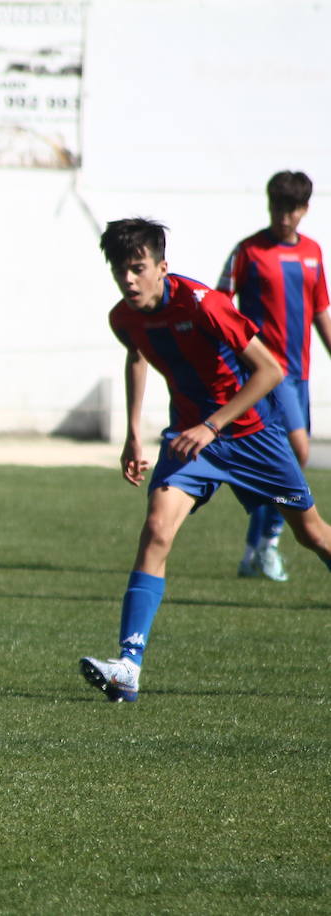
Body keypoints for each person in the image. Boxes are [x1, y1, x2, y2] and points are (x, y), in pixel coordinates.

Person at [79, 217, 331, 702]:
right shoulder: (124, 317)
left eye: (137, 268)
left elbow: (270, 370)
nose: (128, 279)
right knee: (156, 530)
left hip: (254, 438)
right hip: (190, 442)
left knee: (313, 535)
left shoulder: (204, 304)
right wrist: (132, 435)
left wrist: (213, 425)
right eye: (119, 270)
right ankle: (128, 667)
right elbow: (137, 355)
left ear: (162, 267)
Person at [216, 171, 331, 582]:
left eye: (291, 209)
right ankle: (268, 545)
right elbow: (219, 305)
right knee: (297, 454)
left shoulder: (313, 252)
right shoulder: (248, 251)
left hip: (299, 376)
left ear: (305, 210)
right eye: (277, 208)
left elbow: (320, 310)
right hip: (266, 374)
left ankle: (257, 550)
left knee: (280, 464)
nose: (283, 217)